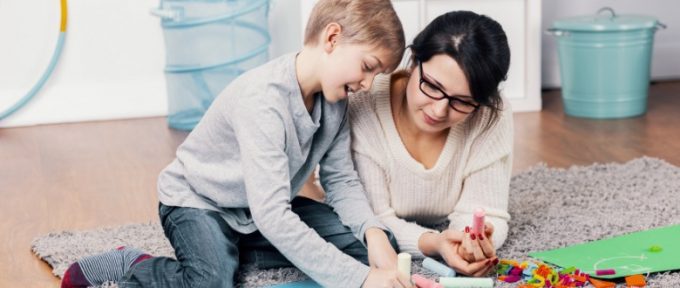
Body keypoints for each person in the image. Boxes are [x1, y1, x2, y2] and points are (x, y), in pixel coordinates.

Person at [60, 1, 413, 287]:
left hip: (256, 213)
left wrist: (373, 233)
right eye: (368, 67)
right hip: (199, 204)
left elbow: (341, 180)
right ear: (332, 38)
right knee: (210, 281)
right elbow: (273, 215)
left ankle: (232, 251)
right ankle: (133, 264)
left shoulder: (336, 104)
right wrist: (362, 280)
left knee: (373, 248)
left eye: (377, 75)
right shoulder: (263, 100)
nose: (368, 84)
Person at [302, 10, 513, 277]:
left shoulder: (490, 114)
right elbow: (373, 220)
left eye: (462, 101)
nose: (438, 111)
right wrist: (435, 243)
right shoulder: (363, 99)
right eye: (432, 86)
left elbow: (487, 211)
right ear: (414, 60)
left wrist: (469, 243)